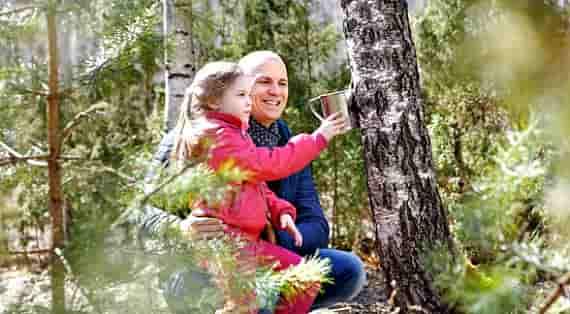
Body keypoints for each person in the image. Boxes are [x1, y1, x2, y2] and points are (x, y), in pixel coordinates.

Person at [140, 51, 366, 313]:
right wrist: (181, 227)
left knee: (348, 270)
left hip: (261, 250)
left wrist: (278, 226)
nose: (275, 91)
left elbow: (316, 224)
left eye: (282, 83)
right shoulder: (193, 136)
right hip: (205, 261)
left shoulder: (283, 139)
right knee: (258, 300)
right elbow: (141, 210)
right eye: (262, 82)